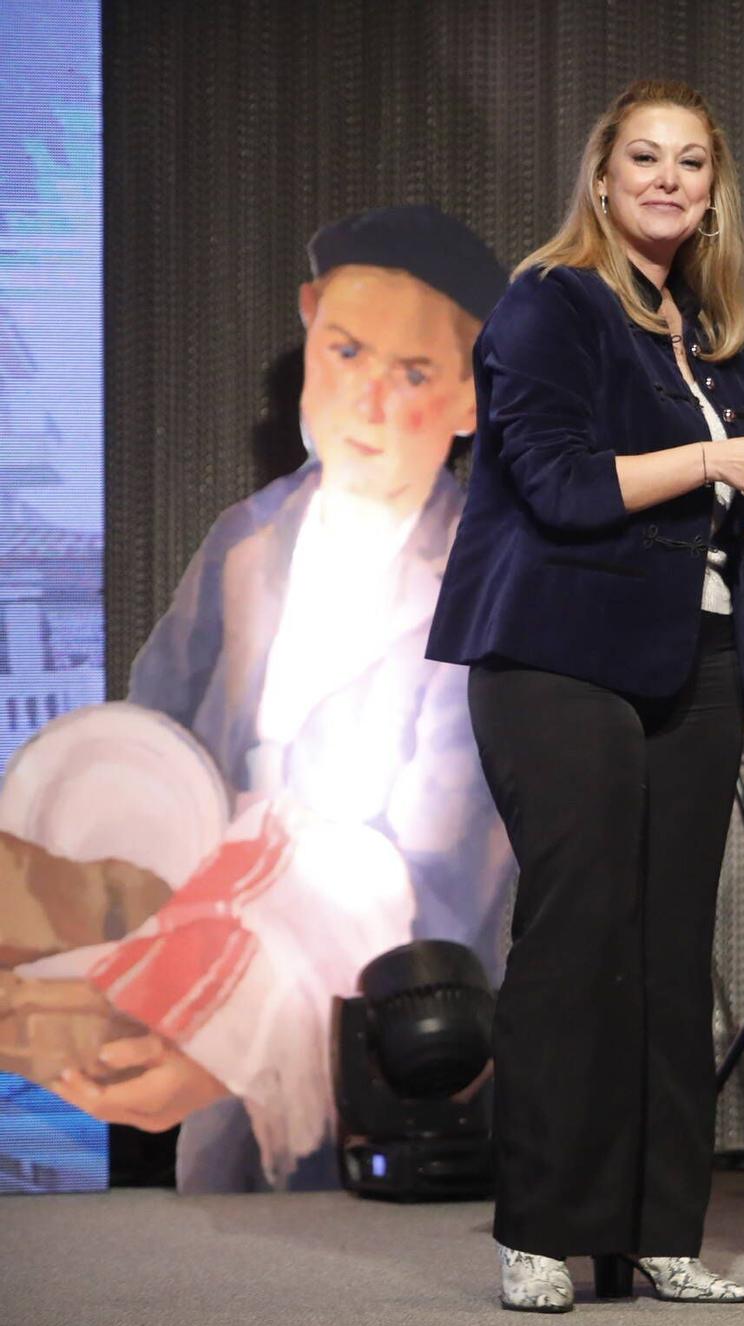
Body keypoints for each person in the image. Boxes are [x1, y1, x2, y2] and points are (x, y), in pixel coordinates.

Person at [426, 79, 744, 1313]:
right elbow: (555, 484)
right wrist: (719, 456)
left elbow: (724, 521)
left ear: (716, 190)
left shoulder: (703, 324)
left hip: (696, 661)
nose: (669, 180)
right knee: (579, 940)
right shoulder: (548, 301)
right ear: (602, 178)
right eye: (645, 159)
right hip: (556, 658)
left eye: (692, 163)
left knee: (669, 954)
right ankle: (541, 1227)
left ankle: (660, 1228)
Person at [30, 204, 515, 1192]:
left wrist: (250, 1004)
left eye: (413, 373)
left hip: (387, 992)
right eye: (344, 352)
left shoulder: (482, 571)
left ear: (469, 396)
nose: (368, 400)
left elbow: (464, 851)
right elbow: (155, 737)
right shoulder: (243, 544)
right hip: (209, 936)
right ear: (307, 333)